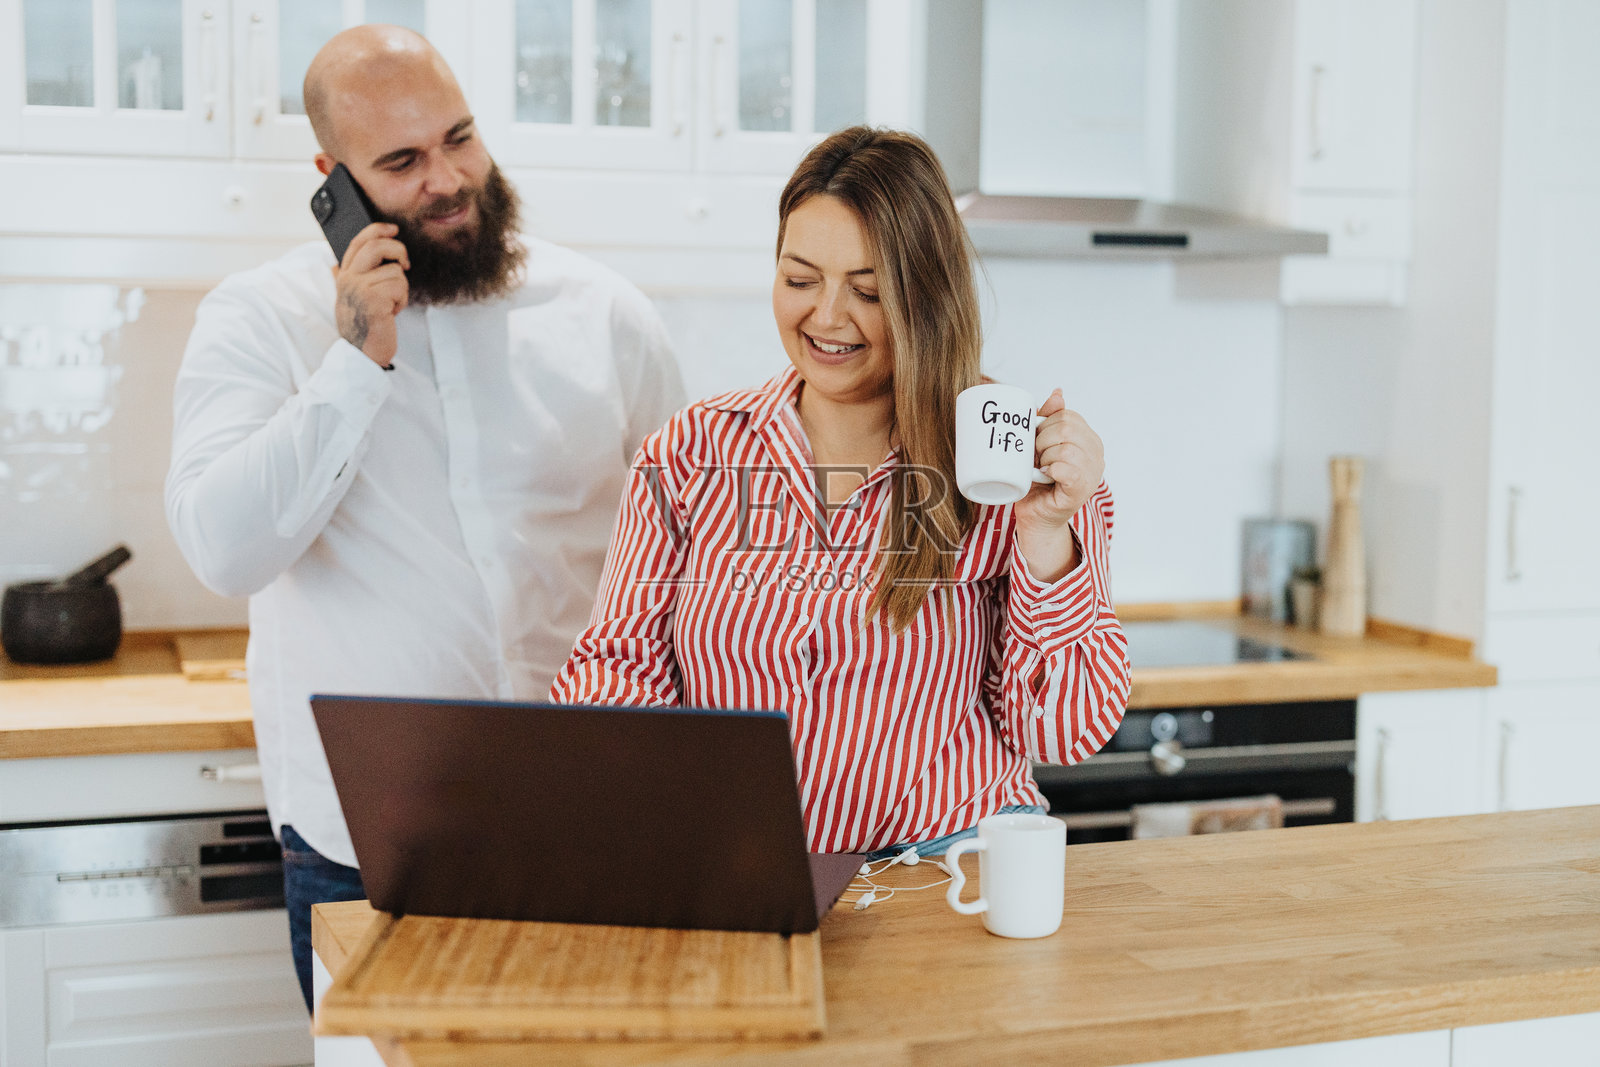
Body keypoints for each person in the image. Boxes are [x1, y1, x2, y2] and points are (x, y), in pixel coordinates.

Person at [164, 25, 684, 1010]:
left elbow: (690, 557)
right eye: (401, 162)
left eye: (460, 138)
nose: (448, 179)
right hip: (369, 852)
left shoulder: (607, 314)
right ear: (333, 178)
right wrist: (355, 360)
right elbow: (225, 549)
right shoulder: (260, 320)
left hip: (585, 826)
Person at [552, 126, 1129, 859]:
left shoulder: (1010, 464)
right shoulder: (691, 455)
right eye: (800, 280)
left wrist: (1046, 533)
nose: (825, 317)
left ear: (925, 296)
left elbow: (1063, 732)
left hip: (945, 870)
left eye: (866, 290)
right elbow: (619, 668)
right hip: (743, 865)